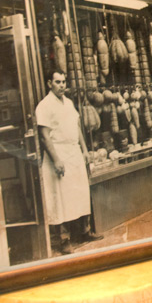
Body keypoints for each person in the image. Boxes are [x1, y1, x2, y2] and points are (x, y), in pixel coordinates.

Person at [36, 69, 97, 254]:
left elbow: (77, 128)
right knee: (61, 199)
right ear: (49, 84)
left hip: (74, 152)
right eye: (57, 82)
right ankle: (64, 240)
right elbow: (44, 136)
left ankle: (84, 232)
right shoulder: (44, 106)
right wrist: (56, 160)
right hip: (58, 153)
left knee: (79, 192)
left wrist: (85, 150)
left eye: (64, 81)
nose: (62, 85)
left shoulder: (69, 103)